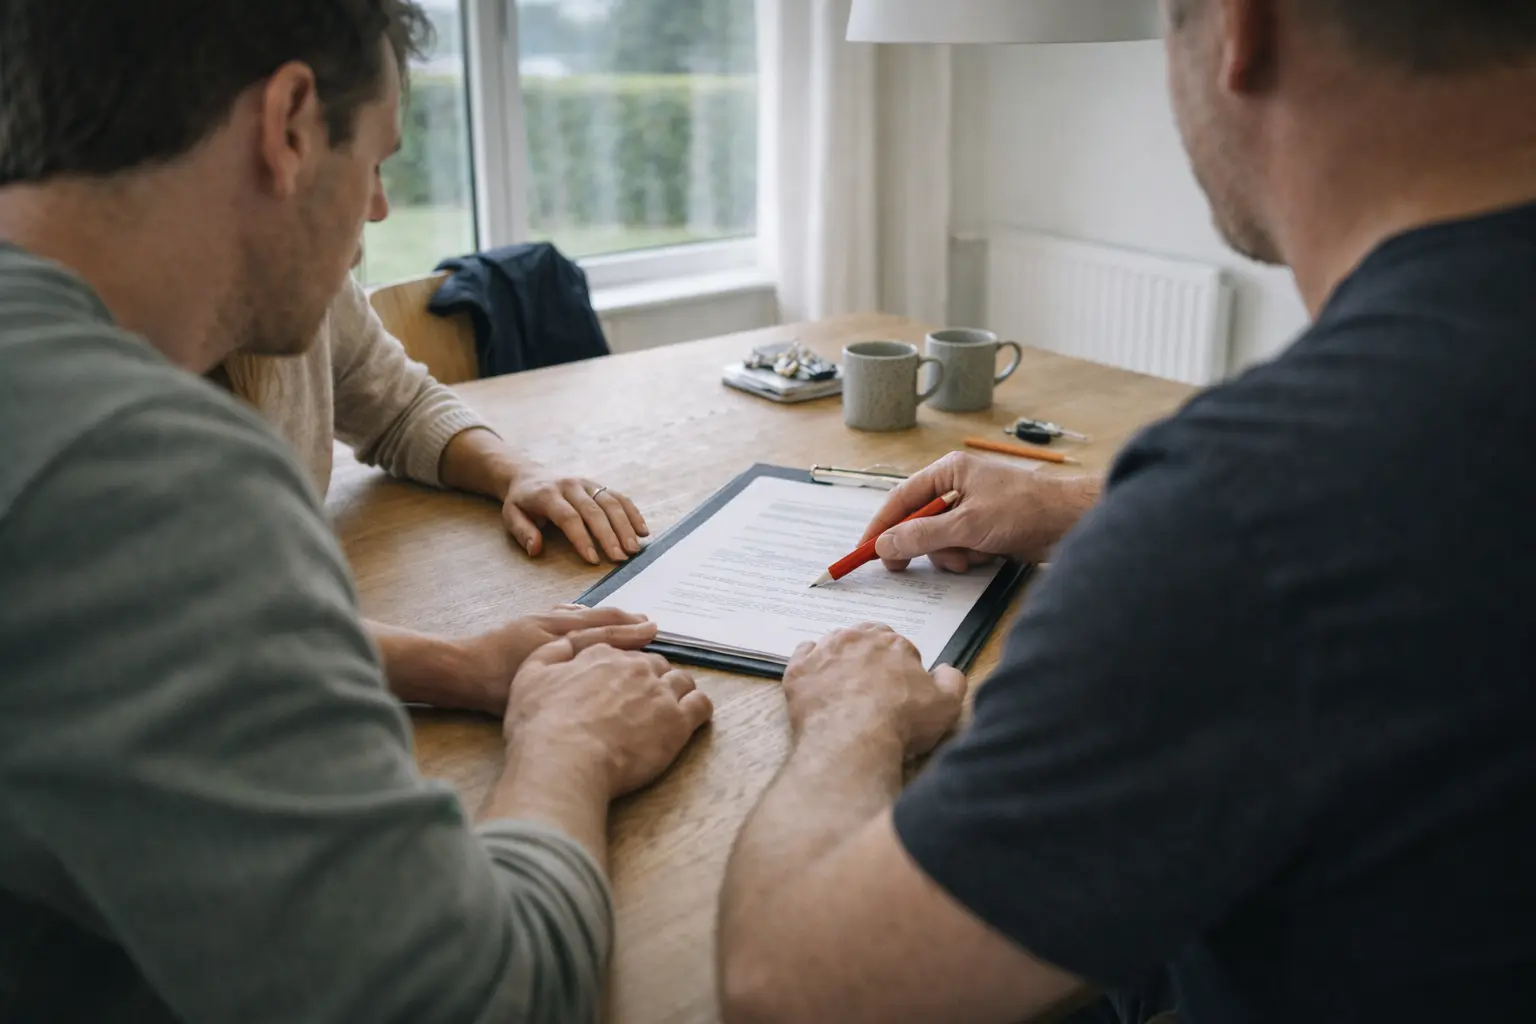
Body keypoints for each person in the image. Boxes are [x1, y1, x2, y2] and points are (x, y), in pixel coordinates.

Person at [717, 1, 1536, 1022]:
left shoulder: (1246, 513)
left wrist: (850, 718)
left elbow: (790, 988)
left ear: (1240, 28)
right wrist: (1081, 505)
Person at [0, 2, 710, 1021]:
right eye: (375, 159)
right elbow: (479, 998)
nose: (378, 211)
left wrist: (458, 659)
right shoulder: (142, 477)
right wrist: (569, 746)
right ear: (290, 123)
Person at [216, 271, 651, 715]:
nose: (374, 221)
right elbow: (213, 614)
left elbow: (401, 407)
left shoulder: (315, 274)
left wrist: (516, 472)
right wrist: (461, 666)